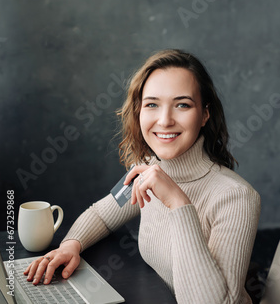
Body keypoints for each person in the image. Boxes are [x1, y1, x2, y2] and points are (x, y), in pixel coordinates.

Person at [24, 49, 261, 304]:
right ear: (139, 112)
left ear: (204, 114)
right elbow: (103, 214)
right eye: (152, 104)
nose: (165, 120)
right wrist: (71, 244)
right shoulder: (148, 169)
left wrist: (179, 203)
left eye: (182, 104)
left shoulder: (237, 197)